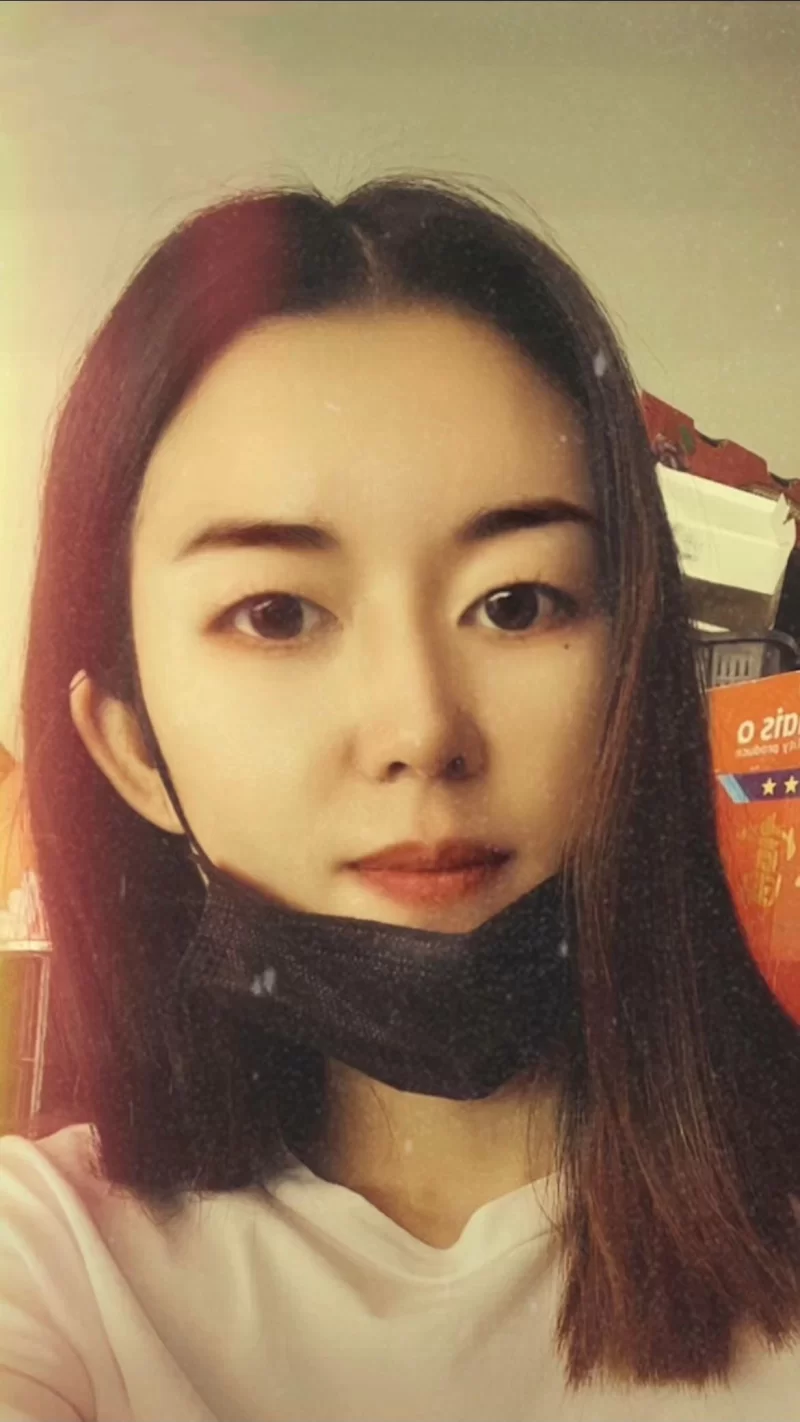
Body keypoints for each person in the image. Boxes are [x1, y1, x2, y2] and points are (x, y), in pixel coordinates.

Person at [2, 176, 799, 1422]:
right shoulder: (52, 1264)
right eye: (276, 614)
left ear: (637, 675)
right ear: (130, 746)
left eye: (516, 604)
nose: (421, 731)